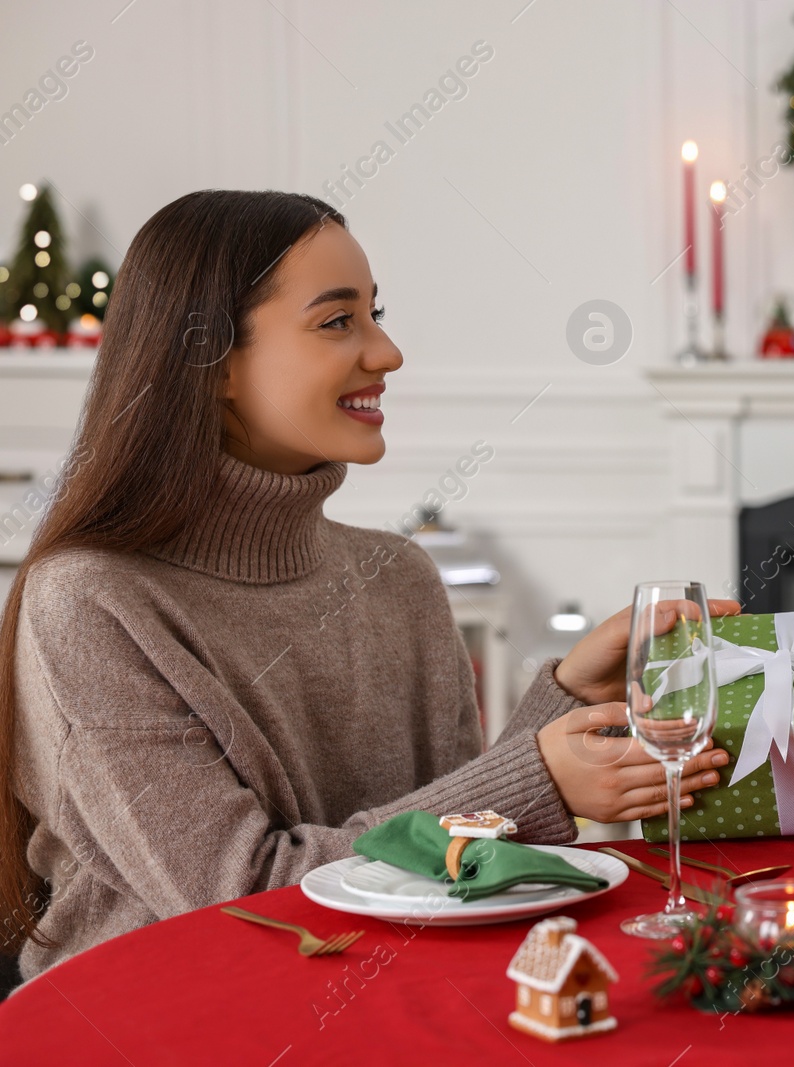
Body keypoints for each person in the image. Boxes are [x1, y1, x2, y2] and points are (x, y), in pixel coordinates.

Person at [0, 191, 733, 981]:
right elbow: (243, 895)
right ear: (210, 361)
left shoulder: (400, 577)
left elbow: (443, 861)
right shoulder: (87, 602)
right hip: (169, 1022)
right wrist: (542, 777)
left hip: (381, 1001)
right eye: (337, 321)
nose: (386, 352)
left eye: (374, 314)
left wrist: (562, 693)